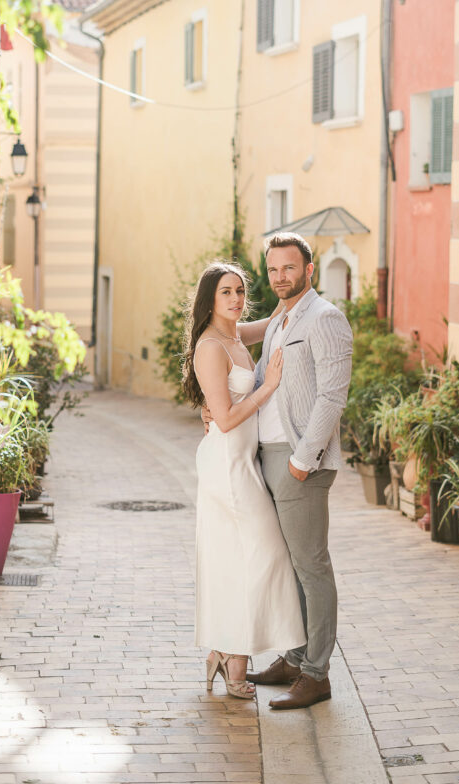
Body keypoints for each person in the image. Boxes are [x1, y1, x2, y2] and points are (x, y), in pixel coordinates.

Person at [203, 232, 353, 710]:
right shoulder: (279, 320)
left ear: (308, 269)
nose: (280, 276)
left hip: (297, 458)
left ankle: (316, 674)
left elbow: (332, 397)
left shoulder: (325, 318)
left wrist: (302, 461)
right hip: (263, 457)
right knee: (287, 566)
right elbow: (245, 372)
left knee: (311, 567)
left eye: (289, 267)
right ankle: (293, 657)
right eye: (272, 269)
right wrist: (213, 407)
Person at [182, 261, 306, 700]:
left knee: (242, 559)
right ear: (209, 300)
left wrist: (295, 280)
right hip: (227, 466)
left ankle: (228, 654)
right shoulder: (210, 346)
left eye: (240, 291)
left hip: (243, 462)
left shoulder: (236, 335)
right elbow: (227, 418)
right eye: (226, 292)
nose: (236, 299)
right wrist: (267, 386)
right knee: (265, 553)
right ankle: (232, 655)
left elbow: (276, 318)